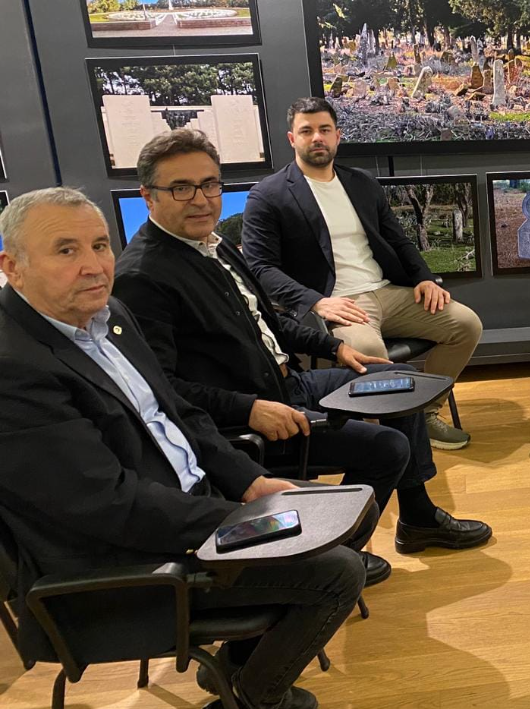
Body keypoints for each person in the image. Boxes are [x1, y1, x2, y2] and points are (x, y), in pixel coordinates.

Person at [0, 187, 370, 709]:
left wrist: (249, 481)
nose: (93, 266)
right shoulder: (14, 367)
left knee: (349, 511)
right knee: (338, 572)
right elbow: (105, 504)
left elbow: (179, 412)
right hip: (127, 563)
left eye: (100, 245)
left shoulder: (110, 315)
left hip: (192, 506)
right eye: (66, 250)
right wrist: (234, 519)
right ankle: (255, 697)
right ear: (12, 267)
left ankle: (237, 668)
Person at [112, 130, 491, 559]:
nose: (201, 200)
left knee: (399, 382)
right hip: (251, 420)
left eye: (209, 184)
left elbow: (268, 323)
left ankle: (417, 518)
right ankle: (337, 554)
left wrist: (334, 349)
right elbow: (161, 391)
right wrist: (249, 409)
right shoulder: (143, 277)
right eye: (181, 188)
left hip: (288, 384)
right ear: (148, 196)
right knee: (389, 447)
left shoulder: (214, 246)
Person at [241, 97, 482, 450]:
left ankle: (425, 414)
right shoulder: (267, 195)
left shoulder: (361, 182)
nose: (317, 137)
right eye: (306, 131)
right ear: (292, 139)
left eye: (324, 130)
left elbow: (398, 239)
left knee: (466, 324)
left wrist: (424, 278)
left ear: (337, 136)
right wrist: (316, 301)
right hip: (338, 302)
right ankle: (391, 439)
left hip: (388, 291)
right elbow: (260, 268)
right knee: (368, 350)